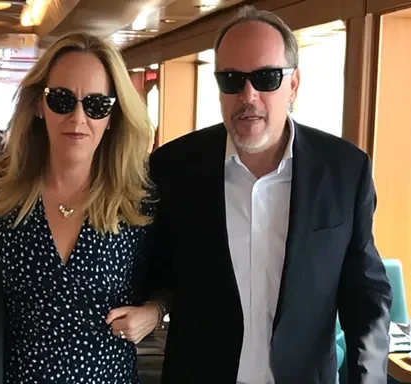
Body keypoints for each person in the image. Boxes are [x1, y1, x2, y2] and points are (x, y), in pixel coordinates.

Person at [147, 6, 392, 384]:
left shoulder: (345, 170)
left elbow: (366, 296)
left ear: (293, 85)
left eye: (266, 78)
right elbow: (152, 271)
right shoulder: (174, 168)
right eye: (231, 79)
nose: (248, 95)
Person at [0, 32, 163, 384]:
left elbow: (171, 279)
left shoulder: (137, 199)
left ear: (112, 116)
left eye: (96, 104)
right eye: (63, 100)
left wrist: (156, 312)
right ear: (39, 105)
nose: (78, 117)